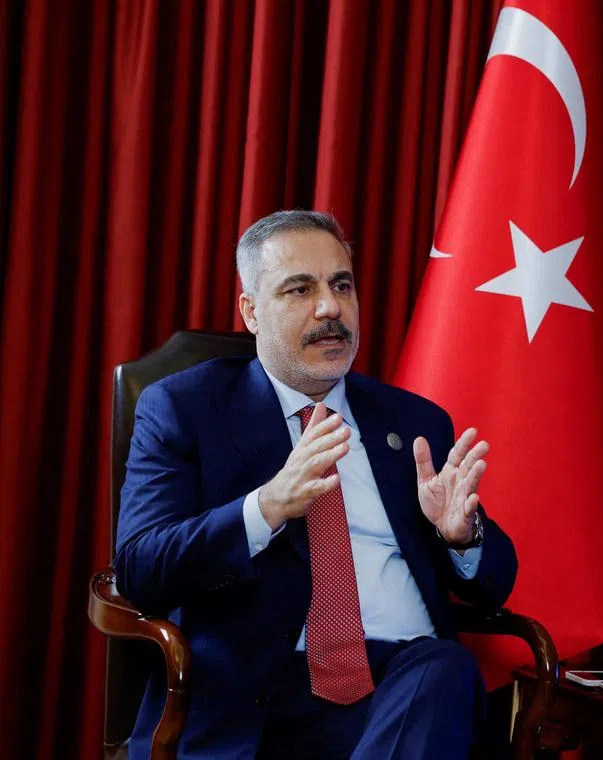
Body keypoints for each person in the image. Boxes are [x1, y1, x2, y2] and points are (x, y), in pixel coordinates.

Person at [114, 209, 517, 759]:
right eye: (300, 289)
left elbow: (494, 585)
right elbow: (141, 567)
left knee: (442, 666)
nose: (330, 307)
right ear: (251, 312)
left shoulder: (413, 422)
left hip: (403, 695)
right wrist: (267, 507)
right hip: (255, 704)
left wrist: (460, 539)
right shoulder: (185, 409)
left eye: (341, 285)